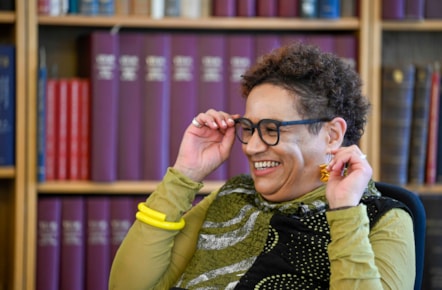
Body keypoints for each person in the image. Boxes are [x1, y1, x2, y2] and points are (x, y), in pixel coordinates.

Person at [109, 42, 415, 289]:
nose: (252, 147)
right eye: (249, 128)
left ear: (332, 134)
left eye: (272, 129)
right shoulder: (232, 196)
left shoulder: (383, 218)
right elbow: (127, 285)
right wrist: (184, 176)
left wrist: (345, 215)